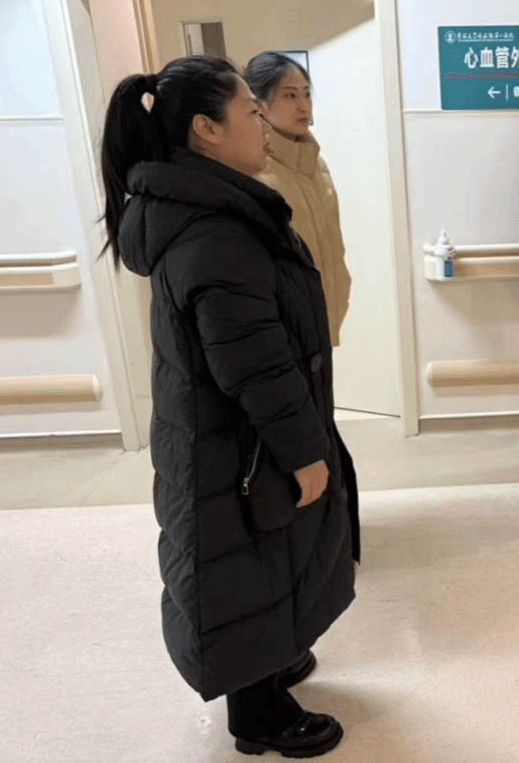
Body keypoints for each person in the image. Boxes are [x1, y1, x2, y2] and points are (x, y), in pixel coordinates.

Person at [100, 55, 359, 757]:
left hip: (230, 434)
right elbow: (254, 362)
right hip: (236, 439)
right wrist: (304, 452)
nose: (264, 124)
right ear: (206, 130)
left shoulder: (216, 207)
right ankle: (258, 713)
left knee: (267, 553)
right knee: (245, 559)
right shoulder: (216, 231)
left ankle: (268, 661)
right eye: (251, 111)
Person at [245, 51, 351, 347]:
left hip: (324, 320)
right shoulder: (255, 171)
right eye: (290, 96)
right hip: (282, 332)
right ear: (260, 105)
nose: (304, 106)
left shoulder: (316, 165)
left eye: (306, 94)